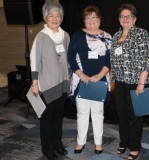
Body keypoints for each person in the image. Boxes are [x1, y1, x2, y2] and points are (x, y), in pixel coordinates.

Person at [110, 4, 149, 160]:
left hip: (136, 81)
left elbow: (146, 59)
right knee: (122, 114)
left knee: (135, 116)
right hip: (120, 81)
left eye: (129, 16)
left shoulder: (141, 34)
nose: (125, 19)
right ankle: (124, 141)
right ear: (119, 19)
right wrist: (111, 78)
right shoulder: (115, 36)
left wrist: (141, 83)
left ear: (134, 19)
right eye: (122, 16)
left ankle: (135, 146)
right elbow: (113, 60)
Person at [67, 5, 112, 154]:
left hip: (99, 80)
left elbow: (109, 60)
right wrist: (82, 75)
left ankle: (98, 143)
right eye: (88, 17)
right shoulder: (77, 35)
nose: (92, 20)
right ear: (84, 20)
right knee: (82, 112)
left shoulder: (107, 37)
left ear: (100, 19)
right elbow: (71, 57)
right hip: (81, 80)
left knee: (98, 112)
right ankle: (81, 142)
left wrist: (98, 76)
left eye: (95, 17)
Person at [30, 2, 70, 160]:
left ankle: (57, 144)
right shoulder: (41, 36)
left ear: (61, 18)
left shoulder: (65, 35)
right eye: (51, 15)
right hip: (46, 83)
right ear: (45, 17)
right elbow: (34, 60)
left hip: (62, 82)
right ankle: (47, 149)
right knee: (47, 117)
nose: (55, 18)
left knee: (59, 116)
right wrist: (35, 83)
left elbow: (66, 59)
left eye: (57, 15)